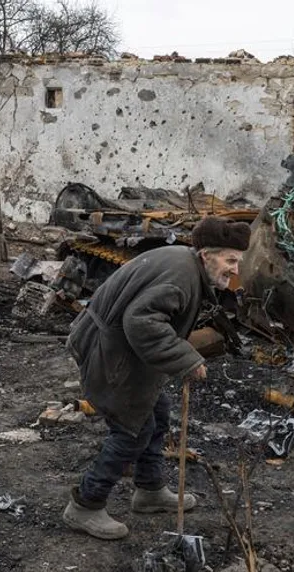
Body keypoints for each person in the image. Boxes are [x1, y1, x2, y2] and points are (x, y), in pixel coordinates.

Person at [62, 216, 251, 540]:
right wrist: (186, 359)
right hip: (110, 351)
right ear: (207, 255)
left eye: (237, 262)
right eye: (230, 260)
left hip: (119, 346)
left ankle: (149, 490)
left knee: (157, 411)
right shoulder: (181, 276)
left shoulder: (186, 265)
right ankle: (85, 505)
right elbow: (142, 323)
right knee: (131, 429)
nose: (235, 270)